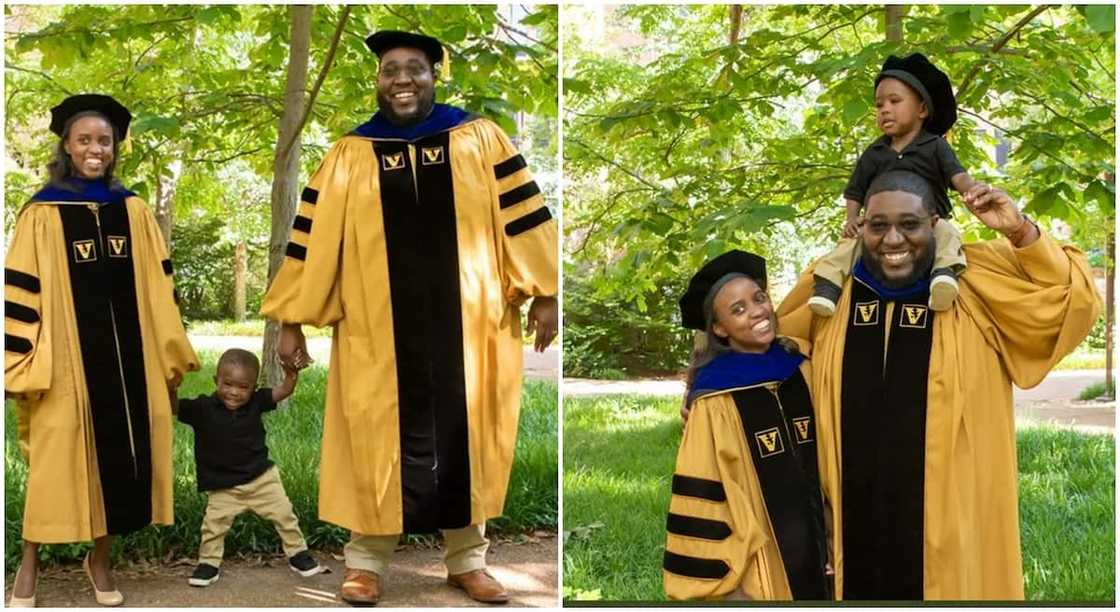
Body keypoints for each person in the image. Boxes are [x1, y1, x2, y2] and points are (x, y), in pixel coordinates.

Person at [260, 30, 558, 606]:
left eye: (415, 68)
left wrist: (544, 289)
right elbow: (312, 242)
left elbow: (521, 216)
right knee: (375, 435)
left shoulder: (479, 138)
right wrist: (292, 317)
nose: (402, 79)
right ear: (377, 79)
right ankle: (366, 563)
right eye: (390, 69)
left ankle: (467, 561)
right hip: (377, 329)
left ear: (434, 76)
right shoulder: (351, 153)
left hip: (469, 324)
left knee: (464, 432)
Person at [776, 170, 1100, 600]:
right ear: (861, 226)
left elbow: (1068, 294)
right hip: (853, 511)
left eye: (909, 224)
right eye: (878, 225)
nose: (893, 240)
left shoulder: (975, 274)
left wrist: (1019, 229)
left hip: (951, 510)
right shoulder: (832, 285)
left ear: (934, 223)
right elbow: (774, 345)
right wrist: (708, 388)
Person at [5, 94, 198, 607]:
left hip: (129, 365)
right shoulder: (41, 212)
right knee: (53, 462)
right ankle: (30, 563)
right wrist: (17, 360)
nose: (95, 149)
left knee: (120, 461)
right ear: (66, 146)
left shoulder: (132, 210)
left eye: (104, 141)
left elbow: (160, 287)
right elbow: (21, 291)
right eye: (85, 139)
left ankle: (100, 559)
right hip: (66, 364)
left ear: (116, 148)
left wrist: (168, 357)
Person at [664, 250, 832, 601]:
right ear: (719, 328)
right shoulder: (716, 397)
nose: (757, 311)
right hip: (762, 563)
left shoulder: (801, 367)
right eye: (737, 309)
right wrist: (727, 590)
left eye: (759, 298)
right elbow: (704, 489)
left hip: (826, 548)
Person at [811, 53, 978, 317]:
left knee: (948, 235)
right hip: (877, 226)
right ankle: (828, 286)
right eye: (879, 105)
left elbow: (959, 177)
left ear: (922, 109)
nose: (884, 109)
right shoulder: (874, 153)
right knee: (848, 246)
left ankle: (944, 275)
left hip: (929, 223)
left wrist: (974, 190)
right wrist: (852, 219)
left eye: (894, 101)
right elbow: (855, 191)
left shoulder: (936, 146)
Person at [172, 348, 323, 587]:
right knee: (213, 526)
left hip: (262, 479)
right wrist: (171, 385)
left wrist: (292, 376)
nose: (234, 392)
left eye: (243, 387)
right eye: (228, 384)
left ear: (253, 387)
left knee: (285, 515)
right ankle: (208, 564)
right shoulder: (203, 408)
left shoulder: (257, 401)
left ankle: (298, 554)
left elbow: (283, 391)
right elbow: (174, 407)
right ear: (216, 380)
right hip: (223, 487)